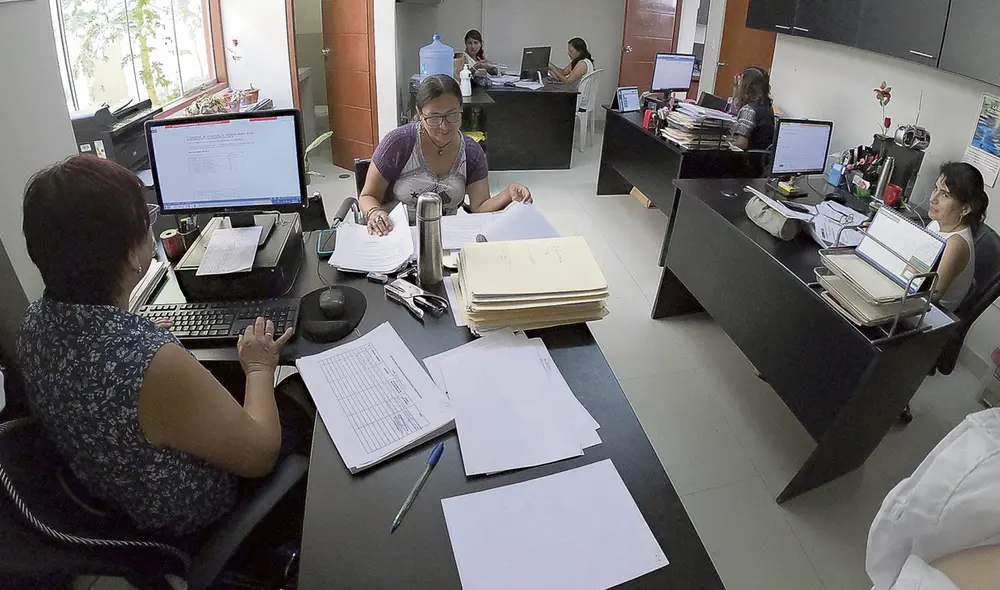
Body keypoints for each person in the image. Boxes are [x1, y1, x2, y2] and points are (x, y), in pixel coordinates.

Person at [17, 155, 310, 537]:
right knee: (298, 400)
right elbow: (260, 455)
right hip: (192, 517)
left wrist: (133, 332)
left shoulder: (33, 323)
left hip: (112, 494)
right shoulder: (151, 364)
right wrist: (258, 368)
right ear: (131, 255)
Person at [361, 74, 531, 236]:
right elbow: (368, 196)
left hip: (444, 239)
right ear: (420, 113)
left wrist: (509, 193)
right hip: (396, 234)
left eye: (452, 115)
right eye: (434, 118)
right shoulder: (399, 143)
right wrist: (375, 213)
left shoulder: (471, 153)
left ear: (461, 109)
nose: (444, 126)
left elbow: (480, 208)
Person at [925, 162, 989, 311]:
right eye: (936, 188)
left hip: (931, 316)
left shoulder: (956, 244)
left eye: (945, 195)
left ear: (965, 208)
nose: (933, 198)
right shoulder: (937, 223)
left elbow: (930, 296)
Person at [730, 66, 775, 151]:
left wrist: (726, 144)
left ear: (747, 86)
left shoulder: (748, 110)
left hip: (748, 160)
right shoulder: (767, 108)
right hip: (762, 159)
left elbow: (741, 144)